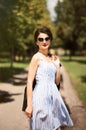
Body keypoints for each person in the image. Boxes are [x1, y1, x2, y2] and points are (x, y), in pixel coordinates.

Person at [25, 27, 73, 130]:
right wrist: (29, 105)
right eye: (41, 39)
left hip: (54, 98)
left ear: (50, 40)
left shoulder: (53, 58)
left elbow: (56, 82)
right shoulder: (36, 57)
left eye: (47, 38)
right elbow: (29, 82)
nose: (44, 41)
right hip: (40, 98)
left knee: (56, 127)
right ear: (36, 42)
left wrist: (57, 66)